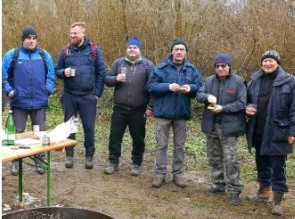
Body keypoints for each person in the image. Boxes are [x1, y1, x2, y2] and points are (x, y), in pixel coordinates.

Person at [245, 50, 295, 215]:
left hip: (279, 131)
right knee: (261, 162)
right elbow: (246, 100)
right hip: (258, 129)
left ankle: (278, 200)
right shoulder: (254, 80)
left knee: (278, 166)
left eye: (271, 61)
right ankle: (263, 190)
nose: (268, 64)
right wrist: (246, 108)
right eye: (265, 61)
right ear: (261, 64)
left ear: (278, 63)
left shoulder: (290, 81)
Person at [148, 39, 202, 188]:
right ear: (172, 51)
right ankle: (160, 174)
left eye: (182, 49)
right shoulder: (161, 68)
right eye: (176, 49)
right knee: (161, 145)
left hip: (181, 114)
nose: (179, 52)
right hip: (163, 114)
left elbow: (200, 87)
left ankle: (178, 174)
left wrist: (190, 88)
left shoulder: (191, 70)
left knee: (179, 146)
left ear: (186, 52)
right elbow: (151, 87)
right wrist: (167, 86)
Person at [2, 25, 55, 174]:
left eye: (34, 38)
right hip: (19, 102)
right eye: (28, 38)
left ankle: (39, 160)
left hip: (39, 102)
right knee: (17, 133)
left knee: (39, 133)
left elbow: (51, 76)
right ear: (23, 39)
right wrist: (9, 91)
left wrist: (47, 90)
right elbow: (4, 76)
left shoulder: (44, 55)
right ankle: (16, 161)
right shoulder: (13, 55)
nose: (31, 41)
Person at [197, 53, 247, 205]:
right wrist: (207, 97)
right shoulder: (209, 81)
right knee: (214, 157)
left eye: (223, 66)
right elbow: (199, 95)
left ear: (229, 66)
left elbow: (242, 103)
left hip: (229, 127)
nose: (220, 69)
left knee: (231, 159)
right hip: (211, 124)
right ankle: (218, 184)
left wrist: (223, 108)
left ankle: (234, 190)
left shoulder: (239, 82)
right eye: (217, 66)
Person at [55, 21, 106, 170]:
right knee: (69, 127)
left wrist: (97, 94)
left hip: (88, 96)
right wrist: (63, 72)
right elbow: (57, 70)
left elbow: (101, 73)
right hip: (69, 95)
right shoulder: (65, 50)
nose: (72, 36)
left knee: (89, 127)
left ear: (83, 33)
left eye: (75, 33)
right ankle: (69, 155)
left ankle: (89, 156)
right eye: (71, 33)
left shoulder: (94, 50)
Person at [103, 37, 153, 176]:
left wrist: (151, 107)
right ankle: (113, 162)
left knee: (138, 138)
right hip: (119, 108)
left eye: (134, 47)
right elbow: (107, 80)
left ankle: (136, 163)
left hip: (139, 109)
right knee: (115, 137)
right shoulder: (119, 63)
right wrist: (115, 78)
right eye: (130, 47)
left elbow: (153, 87)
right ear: (127, 49)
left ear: (139, 50)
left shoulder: (147, 65)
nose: (132, 50)